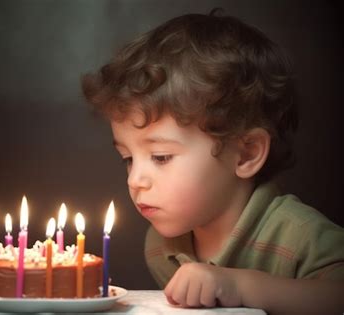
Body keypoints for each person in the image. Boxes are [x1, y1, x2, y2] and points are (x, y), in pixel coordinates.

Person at [81, 9, 344, 314]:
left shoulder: (300, 235)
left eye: (161, 157)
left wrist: (240, 286)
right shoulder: (163, 248)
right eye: (127, 158)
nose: (135, 179)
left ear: (246, 153)